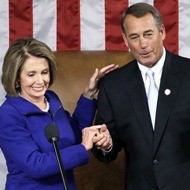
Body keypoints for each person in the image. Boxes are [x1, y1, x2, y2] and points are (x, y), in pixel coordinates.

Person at [89, 2, 190, 190]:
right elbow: (106, 145)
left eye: (148, 34)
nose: (143, 44)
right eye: (134, 37)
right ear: (125, 41)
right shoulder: (113, 85)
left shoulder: (187, 73)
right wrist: (105, 144)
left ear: (162, 33)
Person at [0, 37, 118, 190]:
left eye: (44, 72)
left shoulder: (51, 98)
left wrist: (89, 95)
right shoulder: (8, 114)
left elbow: (72, 135)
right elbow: (35, 164)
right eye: (31, 74)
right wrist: (83, 148)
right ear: (16, 78)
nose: (40, 81)